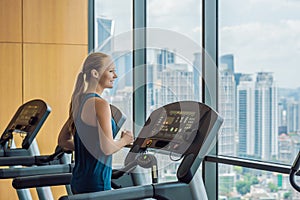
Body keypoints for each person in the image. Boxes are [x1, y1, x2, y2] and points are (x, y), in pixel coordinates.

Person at [58, 52, 134, 194]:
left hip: (79, 180)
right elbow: (107, 148)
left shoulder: (78, 101)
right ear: (95, 73)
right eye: (111, 71)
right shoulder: (100, 104)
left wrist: (89, 149)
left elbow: (63, 141)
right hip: (96, 183)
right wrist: (125, 140)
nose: (115, 76)